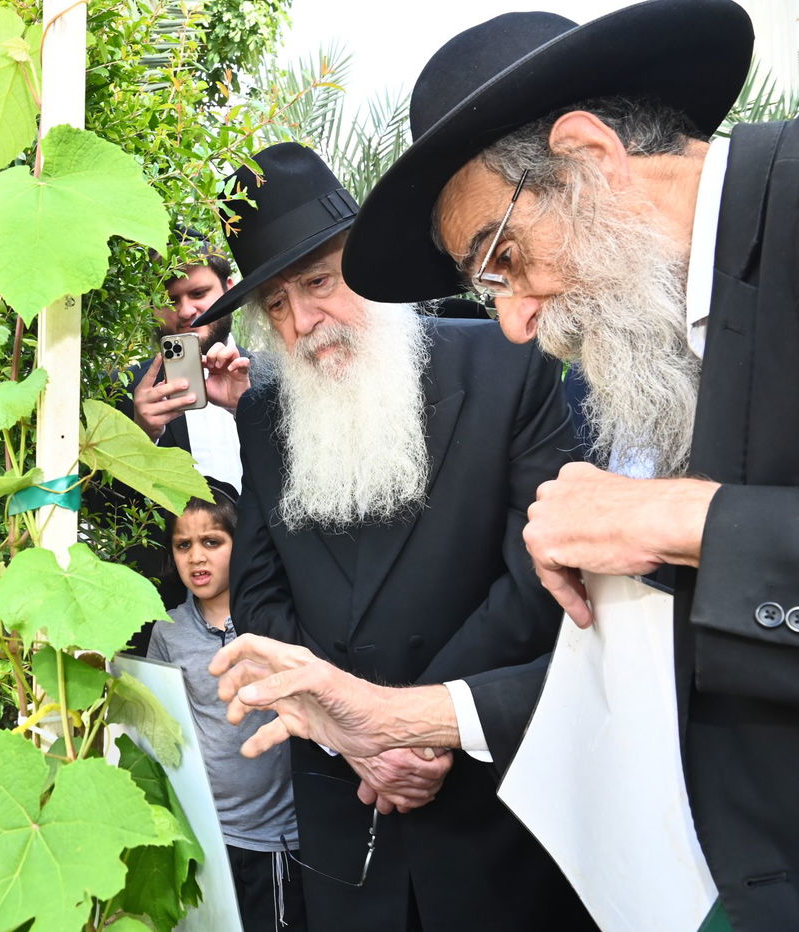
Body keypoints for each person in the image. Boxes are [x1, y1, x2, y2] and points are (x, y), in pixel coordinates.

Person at [219, 2, 799, 927]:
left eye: (503, 259)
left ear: (591, 158)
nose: (518, 322)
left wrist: (678, 521)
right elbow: (663, 651)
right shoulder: (669, 333)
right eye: (486, 284)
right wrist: (387, 722)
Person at [188, 141, 591, 930]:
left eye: (317, 282)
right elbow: (261, 595)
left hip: (493, 814)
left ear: (367, 261)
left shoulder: (508, 365)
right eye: (275, 304)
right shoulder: (264, 414)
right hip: (347, 821)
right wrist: (351, 733)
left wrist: (406, 725)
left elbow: (541, 582)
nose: (302, 322)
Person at [146, 477, 304, 932]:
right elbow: (161, 727)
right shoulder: (167, 630)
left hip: (275, 834)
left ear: (244, 546)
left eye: (212, 542)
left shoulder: (275, 622)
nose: (196, 557)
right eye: (183, 545)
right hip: (204, 831)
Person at [112, 245, 252, 618]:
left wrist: (247, 410)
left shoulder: (274, 377)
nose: (186, 310)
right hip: (162, 615)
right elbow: (102, 511)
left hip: (272, 604)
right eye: (171, 300)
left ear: (229, 288)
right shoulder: (124, 390)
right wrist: (141, 435)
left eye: (199, 293)